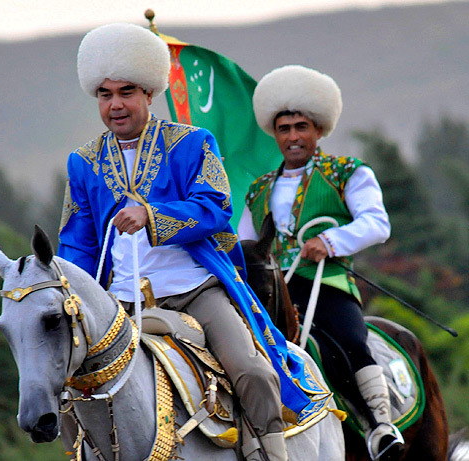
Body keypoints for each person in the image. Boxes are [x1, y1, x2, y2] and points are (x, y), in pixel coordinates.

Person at [58, 24, 332, 461]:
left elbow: (215, 207)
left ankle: (273, 454)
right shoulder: (83, 162)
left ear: (150, 93)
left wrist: (152, 215)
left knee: (252, 372)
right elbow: (77, 244)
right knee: (67, 388)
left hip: (193, 292)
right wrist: (67, 292)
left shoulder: (192, 144)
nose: (115, 105)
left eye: (126, 92)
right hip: (121, 304)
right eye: (105, 95)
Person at [238, 65, 404, 460]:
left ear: (319, 129)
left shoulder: (348, 173)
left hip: (327, 283)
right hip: (272, 287)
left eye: (301, 126)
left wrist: (330, 240)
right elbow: (245, 242)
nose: (293, 136)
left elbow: (377, 224)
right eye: (284, 129)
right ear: (274, 134)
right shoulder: (259, 188)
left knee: (349, 341)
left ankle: (380, 425)